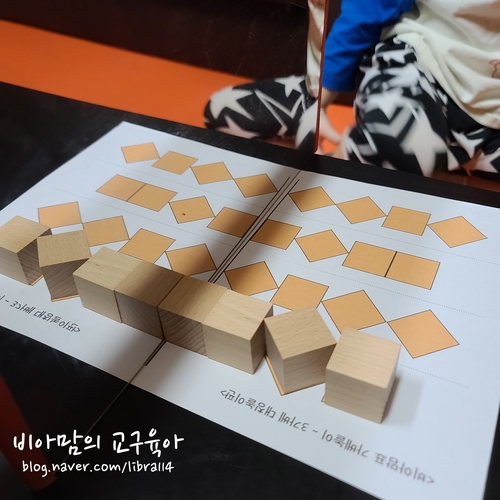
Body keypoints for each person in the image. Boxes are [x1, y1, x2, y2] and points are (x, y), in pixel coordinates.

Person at [322, 0, 500, 177]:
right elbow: (371, 7)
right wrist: (319, 99)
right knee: (392, 141)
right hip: (423, 57)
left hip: (493, 107)